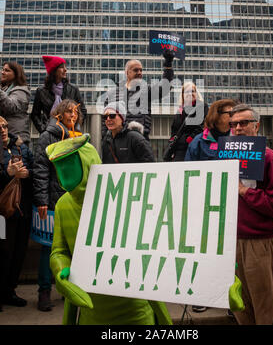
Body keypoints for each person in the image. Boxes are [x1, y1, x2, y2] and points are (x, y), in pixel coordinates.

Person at [47, 134, 172, 325]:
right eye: (59, 166)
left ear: (87, 162)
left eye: (69, 164)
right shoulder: (63, 205)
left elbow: (163, 237)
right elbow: (59, 250)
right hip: (91, 311)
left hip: (135, 311)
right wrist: (61, 269)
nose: (63, 172)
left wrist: (213, 266)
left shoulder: (127, 195)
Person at [229, 103, 273, 325]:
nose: (237, 128)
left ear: (257, 126)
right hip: (231, 241)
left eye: (243, 123)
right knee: (240, 306)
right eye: (233, 124)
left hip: (258, 241)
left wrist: (245, 191)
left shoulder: (270, 158)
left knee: (265, 306)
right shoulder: (227, 157)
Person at [184, 98, 236, 313]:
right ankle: (203, 295)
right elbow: (189, 173)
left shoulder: (242, 140)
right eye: (229, 114)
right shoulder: (199, 141)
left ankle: (233, 299)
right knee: (206, 252)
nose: (233, 118)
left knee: (233, 255)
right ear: (217, 116)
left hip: (235, 206)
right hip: (207, 207)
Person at [33, 99, 83, 312]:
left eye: (75, 112)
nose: (73, 115)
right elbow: (41, 168)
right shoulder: (47, 136)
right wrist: (42, 200)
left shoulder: (78, 136)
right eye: (69, 112)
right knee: (48, 248)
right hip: (53, 201)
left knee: (73, 247)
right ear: (59, 115)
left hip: (73, 201)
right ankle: (44, 291)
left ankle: (68, 289)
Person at [102, 49, 175, 140]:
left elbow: (165, 87)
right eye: (136, 70)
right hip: (116, 140)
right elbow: (105, 120)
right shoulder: (113, 94)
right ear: (127, 72)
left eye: (141, 70)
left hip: (140, 139)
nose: (139, 73)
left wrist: (168, 64)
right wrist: (105, 139)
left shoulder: (146, 91)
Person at [0, 116, 33, 312]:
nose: (3, 130)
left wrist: (27, 174)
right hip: (2, 214)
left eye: (4, 126)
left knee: (18, 253)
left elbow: (34, 169)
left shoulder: (21, 147)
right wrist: (7, 173)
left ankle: (9, 291)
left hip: (22, 210)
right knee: (2, 253)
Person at [31, 55, 87, 134]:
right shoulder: (41, 91)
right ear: (53, 70)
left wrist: (75, 127)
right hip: (50, 131)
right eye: (61, 67)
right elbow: (35, 115)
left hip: (70, 132)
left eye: (65, 67)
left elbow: (83, 111)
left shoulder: (73, 89)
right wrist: (43, 130)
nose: (65, 70)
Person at [165, 81, 208, 161]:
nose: (190, 93)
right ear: (182, 95)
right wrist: (171, 146)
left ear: (196, 93)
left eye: (193, 91)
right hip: (179, 151)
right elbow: (174, 130)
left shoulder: (201, 106)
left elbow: (202, 126)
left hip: (193, 147)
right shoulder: (180, 111)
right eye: (187, 91)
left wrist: (190, 139)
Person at [0, 61, 31, 145]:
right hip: (5, 138)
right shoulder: (4, 90)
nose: (2, 72)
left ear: (16, 74)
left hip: (17, 139)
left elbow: (11, 107)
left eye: (7, 70)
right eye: (2, 69)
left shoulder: (22, 90)